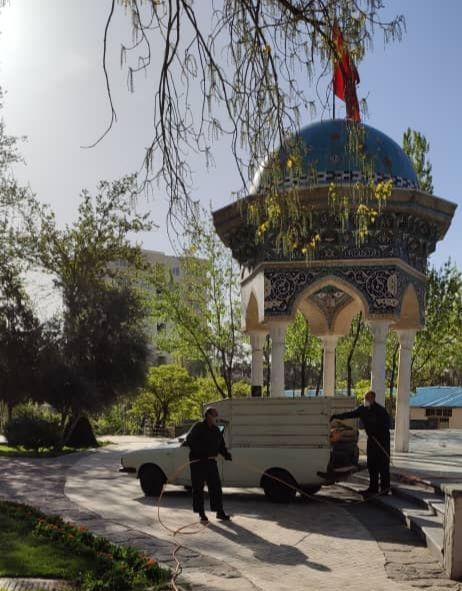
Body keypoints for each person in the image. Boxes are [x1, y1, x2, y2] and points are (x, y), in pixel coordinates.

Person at [330, 390, 391, 496]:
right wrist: (336, 416)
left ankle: (385, 489)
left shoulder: (381, 411)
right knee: (372, 464)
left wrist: (377, 433)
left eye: (367, 398)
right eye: (365, 398)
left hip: (382, 442)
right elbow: (350, 414)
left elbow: (386, 425)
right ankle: (373, 488)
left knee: (383, 465)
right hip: (371, 441)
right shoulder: (362, 409)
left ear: (373, 398)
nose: (365, 400)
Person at [185, 407, 232, 523]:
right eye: (214, 415)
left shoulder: (216, 430)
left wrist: (226, 454)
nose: (216, 417)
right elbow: (189, 440)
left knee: (216, 487)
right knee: (198, 488)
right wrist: (201, 453)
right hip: (198, 462)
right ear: (208, 415)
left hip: (211, 462)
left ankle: (219, 512)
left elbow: (221, 445)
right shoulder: (198, 426)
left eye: (216, 415)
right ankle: (201, 513)